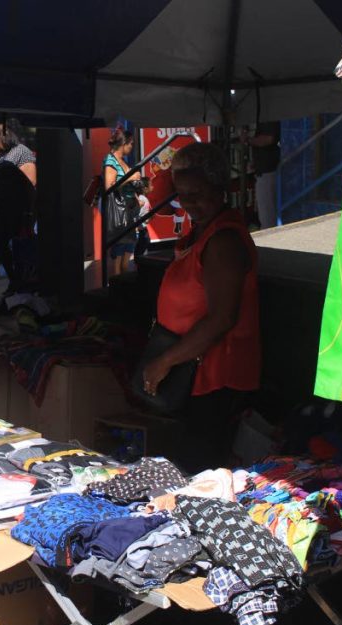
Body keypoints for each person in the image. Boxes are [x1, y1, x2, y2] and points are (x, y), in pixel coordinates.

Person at [141, 142, 260, 466]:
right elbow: (158, 196)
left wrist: (165, 361)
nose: (190, 202)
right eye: (183, 194)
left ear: (220, 189)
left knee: (200, 466)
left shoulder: (223, 241)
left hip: (215, 375)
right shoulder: (202, 233)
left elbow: (222, 318)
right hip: (192, 369)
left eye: (198, 192)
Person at [0, 119, 37, 293]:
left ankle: (21, 282)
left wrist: (28, 213)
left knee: (20, 247)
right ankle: (14, 279)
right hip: (2, 209)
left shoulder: (22, 152)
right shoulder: (1, 155)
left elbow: (30, 184)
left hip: (18, 210)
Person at [102, 128, 143, 276]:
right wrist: (131, 178)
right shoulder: (110, 160)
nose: (132, 147)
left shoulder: (122, 161)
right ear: (123, 143)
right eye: (131, 144)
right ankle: (116, 290)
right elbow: (109, 185)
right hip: (120, 213)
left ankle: (123, 289)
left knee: (127, 255)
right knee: (118, 258)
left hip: (129, 211)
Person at [245, 121, 280, 228]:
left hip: (268, 172)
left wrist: (248, 140)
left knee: (267, 213)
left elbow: (269, 139)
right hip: (264, 171)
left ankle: (269, 237)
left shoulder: (269, 117)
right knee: (266, 211)